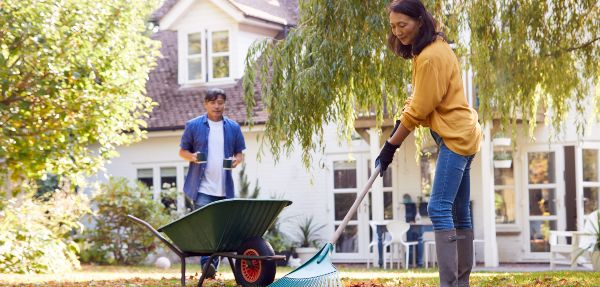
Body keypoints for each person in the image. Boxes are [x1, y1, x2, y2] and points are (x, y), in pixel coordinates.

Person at [376, 1, 482, 286]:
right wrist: (397, 129)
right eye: (393, 26)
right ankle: (460, 283)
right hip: (462, 132)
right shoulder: (431, 49)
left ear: (420, 21)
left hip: (456, 137)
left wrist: (390, 147)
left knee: (438, 207)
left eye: (403, 25)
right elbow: (418, 101)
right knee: (460, 211)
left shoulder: (431, 56)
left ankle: (451, 283)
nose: (397, 32)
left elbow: (418, 112)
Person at [179, 88, 246, 278]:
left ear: (224, 104)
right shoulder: (193, 125)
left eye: (220, 102)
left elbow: (240, 152)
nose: (217, 106)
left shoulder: (233, 127)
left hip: (224, 188)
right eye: (213, 102)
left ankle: (211, 264)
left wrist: (237, 160)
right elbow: (182, 151)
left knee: (221, 229)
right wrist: (192, 157)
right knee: (206, 229)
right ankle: (207, 266)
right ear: (206, 104)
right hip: (201, 188)